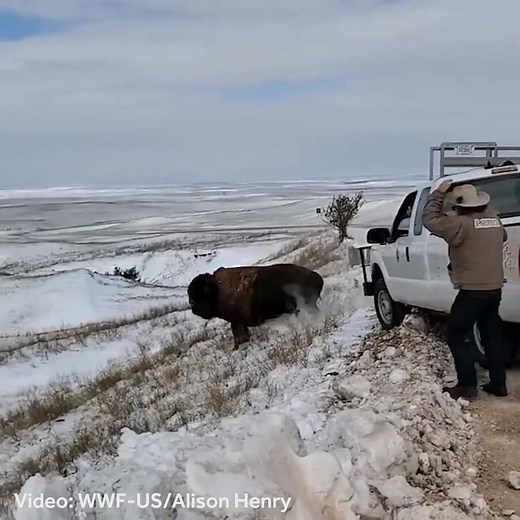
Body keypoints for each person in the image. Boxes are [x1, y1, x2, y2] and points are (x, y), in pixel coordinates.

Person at [423, 180, 508, 399]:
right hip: (494, 288)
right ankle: (498, 383)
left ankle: (467, 385)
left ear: (460, 206)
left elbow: (430, 220)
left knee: (456, 333)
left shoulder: (458, 224)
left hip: (472, 291)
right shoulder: (495, 222)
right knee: (491, 334)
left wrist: (438, 194)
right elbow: (498, 234)